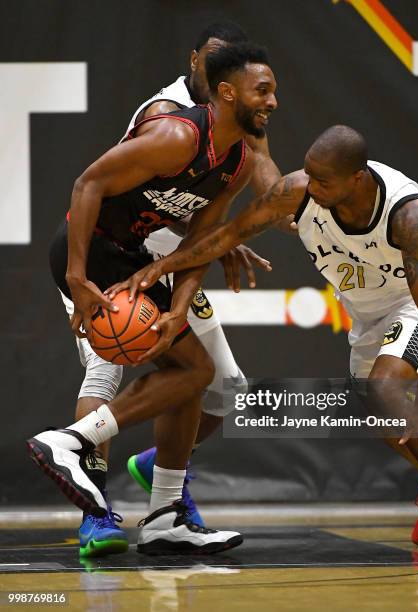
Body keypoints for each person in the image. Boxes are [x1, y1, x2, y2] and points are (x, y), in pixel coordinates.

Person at [112, 125, 418, 554]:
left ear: (356, 178)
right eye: (308, 174)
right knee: (384, 417)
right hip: (368, 316)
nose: (310, 186)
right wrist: (164, 265)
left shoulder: (405, 213)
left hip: (416, 307)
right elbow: (229, 234)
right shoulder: (301, 190)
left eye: (323, 180)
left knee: (387, 391)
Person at [27, 41, 278, 555]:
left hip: (137, 257)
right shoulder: (175, 133)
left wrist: (179, 308)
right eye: (264, 91)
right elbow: (87, 184)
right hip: (92, 255)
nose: (274, 102)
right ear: (227, 93)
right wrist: (76, 277)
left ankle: (164, 517)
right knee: (171, 370)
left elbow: (198, 246)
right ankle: (73, 451)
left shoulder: (237, 163)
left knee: (198, 374)